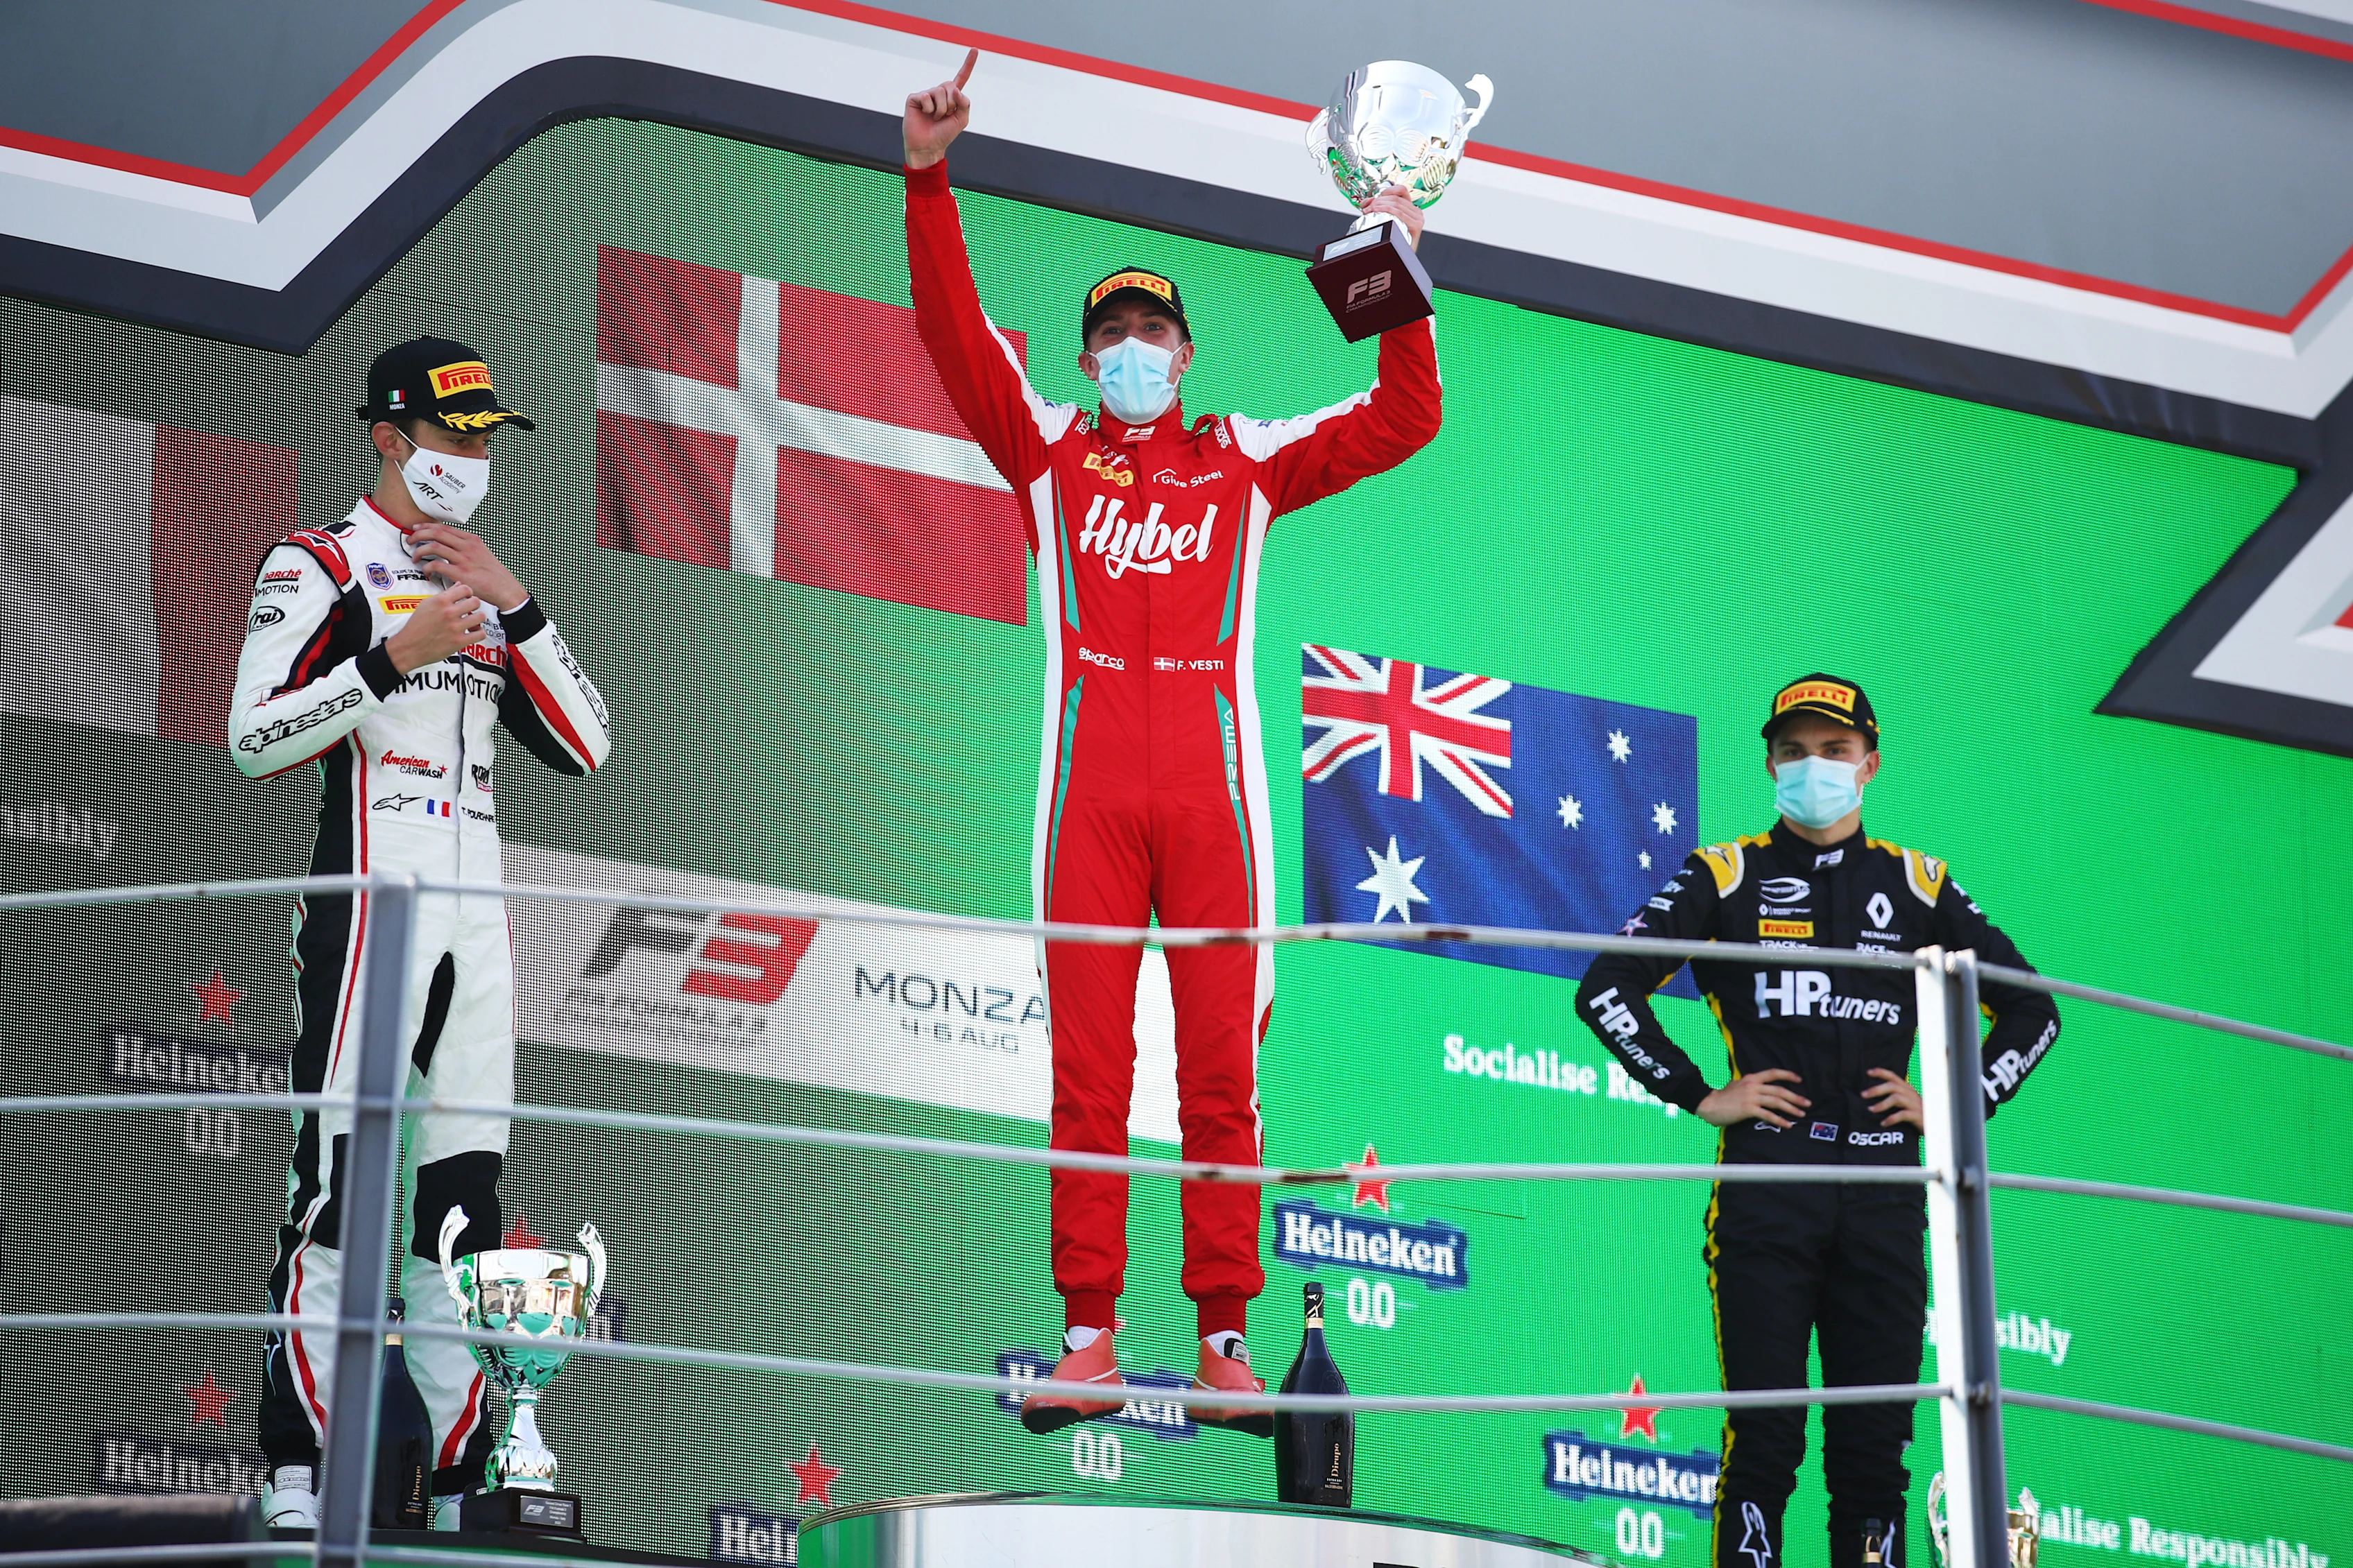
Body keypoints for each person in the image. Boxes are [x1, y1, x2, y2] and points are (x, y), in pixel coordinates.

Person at [902, 51, 1442, 1435]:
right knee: (1086, 1075)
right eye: (1112, 335)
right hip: (1084, 793)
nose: (1135, 350)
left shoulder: (1244, 455)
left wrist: (1386, 259)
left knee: (1222, 1075)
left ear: (1186, 351)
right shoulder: (1047, 451)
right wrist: (927, 178)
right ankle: (1087, 1335)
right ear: (1087, 358)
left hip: (1215, 798)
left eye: (1156, 331)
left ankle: (1222, 1341)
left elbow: (1403, 417)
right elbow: (958, 340)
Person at [230, 337, 611, 1530]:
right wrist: (392, 657)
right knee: (336, 1196)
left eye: (485, 438)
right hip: (369, 906)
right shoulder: (319, 562)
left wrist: (515, 599)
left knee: (463, 1221)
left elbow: (589, 741)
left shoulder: (488, 588)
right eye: (452, 437)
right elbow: (253, 737)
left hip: (478, 930)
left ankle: (458, 1482)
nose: (472, 457)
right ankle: (297, 1463)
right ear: (389, 440)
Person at [1574, 675, 2058, 1568]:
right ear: (1768, 762)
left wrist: (1958, 1104)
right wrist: (1695, 1091)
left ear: (1868, 765)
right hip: (1767, 1187)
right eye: (1793, 751)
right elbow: (1605, 988)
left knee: (1873, 1456)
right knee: (1765, 1438)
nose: (1812, 768)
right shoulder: (1723, 872)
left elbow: (2035, 1011)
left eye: (1833, 752)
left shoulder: (1918, 883)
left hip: (1883, 1193)